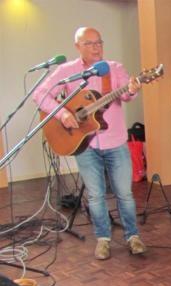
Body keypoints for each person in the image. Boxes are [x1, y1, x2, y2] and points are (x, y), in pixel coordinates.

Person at [33, 27, 146, 260]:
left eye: (99, 42)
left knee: (124, 194)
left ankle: (132, 237)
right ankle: (103, 239)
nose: (96, 47)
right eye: (90, 43)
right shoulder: (67, 71)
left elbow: (127, 94)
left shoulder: (113, 69)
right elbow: (41, 94)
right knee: (95, 196)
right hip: (85, 144)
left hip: (116, 142)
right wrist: (64, 115)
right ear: (78, 46)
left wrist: (133, 89)